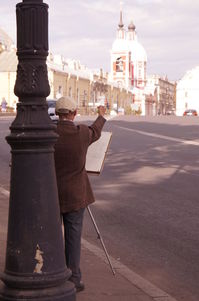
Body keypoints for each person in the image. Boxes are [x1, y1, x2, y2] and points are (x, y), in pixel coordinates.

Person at [54, 96, 106, 292]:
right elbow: (96, 130)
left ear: (57, 114)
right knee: (73, 237)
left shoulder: (49, 132)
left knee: (53, 235)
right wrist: (101, 115)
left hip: (53, 195)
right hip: (76, 195)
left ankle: (54, 272)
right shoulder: (82, 133)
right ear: (74, 114)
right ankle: (74, 277)